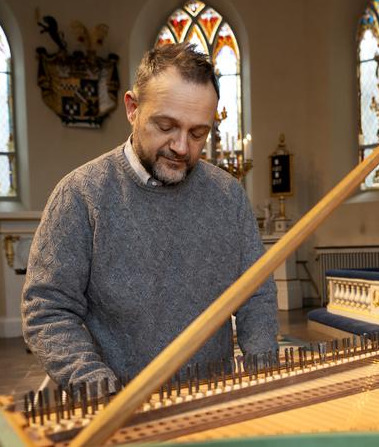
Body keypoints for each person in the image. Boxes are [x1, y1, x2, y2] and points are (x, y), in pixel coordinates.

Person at [22, 43, 279, 389]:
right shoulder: (80, 195)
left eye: (198, 133)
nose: (182, 147)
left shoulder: (227, 196)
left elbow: (256, 293)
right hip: (118, 409)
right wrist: (97, 387)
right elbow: (47, 309)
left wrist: (263, 372)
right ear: (132, 108)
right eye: (166, 126)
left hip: (212, 401)